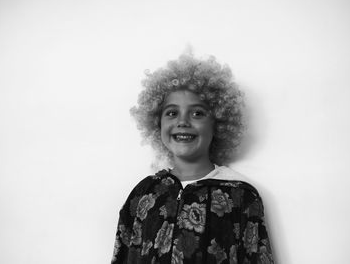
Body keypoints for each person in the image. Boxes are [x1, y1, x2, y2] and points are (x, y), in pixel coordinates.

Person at [111, 53, 274, 264]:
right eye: (171, 113)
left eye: (197, 113)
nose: (183, 122)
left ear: (217, 123)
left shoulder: (241, 196)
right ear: (157, 122)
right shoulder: (142, 194)